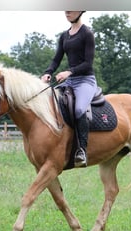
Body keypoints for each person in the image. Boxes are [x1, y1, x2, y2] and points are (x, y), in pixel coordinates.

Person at [41, 11, 100, 168]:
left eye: (71, 9)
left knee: (79, 109)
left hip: (85, 80)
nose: (67, 12)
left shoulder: (87, 34)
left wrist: (69, 72)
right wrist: (48, 72)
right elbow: (56, 59)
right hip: (70, 81)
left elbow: (88, 63)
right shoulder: (64, 36)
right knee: (50, 101)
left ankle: (82, 151)